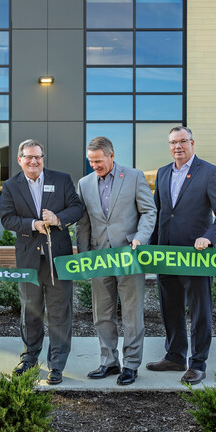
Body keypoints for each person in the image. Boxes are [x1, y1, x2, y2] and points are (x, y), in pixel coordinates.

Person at [147, 126, 216, 384]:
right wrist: (152, 247)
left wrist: (210, 236)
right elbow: (159, 213)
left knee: (200, 311)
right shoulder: (163, 173)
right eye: (173, 142)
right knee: (170, 308)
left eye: (183, 141)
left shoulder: (208, 172)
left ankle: (197, 363)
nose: (178, 147)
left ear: (192, 143)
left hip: (197, 255)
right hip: (167, 254)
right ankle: (175, 356)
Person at [0, 139, 84, 385]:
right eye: (28, 157)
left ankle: (56, 364)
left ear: (42, 158)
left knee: (59, 313)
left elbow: (77, 208)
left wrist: (58, 219)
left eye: (38, 157)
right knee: (30, 312)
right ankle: (29, 358)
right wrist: (32, 224)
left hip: (58, 259)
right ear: (20, 160)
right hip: (29, 260)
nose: (34, 161)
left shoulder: (62, 180)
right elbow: (6, 218)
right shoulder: (11, 186)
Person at [75, 136, 156, 386]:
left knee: (132, 314)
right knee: (102, 314)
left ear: (111, 156)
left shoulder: (133, 177)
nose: (95, 166)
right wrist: (84, 254)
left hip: (128, 256)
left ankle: (131, 364)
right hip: (99, 256)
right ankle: (109, 362)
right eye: (91, 161)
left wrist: (141, 238)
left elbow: (148, 211)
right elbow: (84, 221)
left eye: (98, 161)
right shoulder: (84, 183)